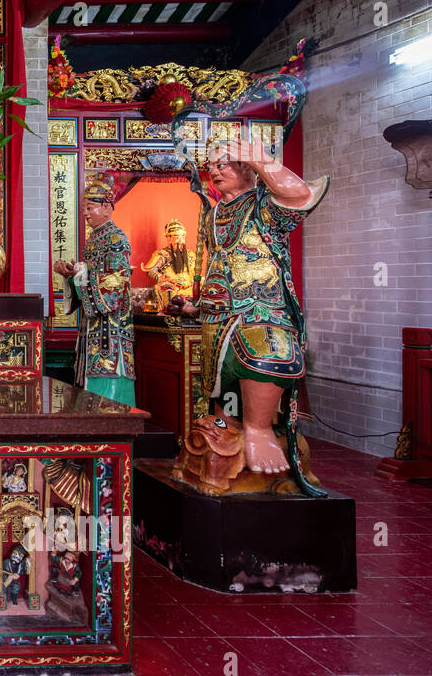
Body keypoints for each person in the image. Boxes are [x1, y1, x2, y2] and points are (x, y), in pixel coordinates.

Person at [173, 138, 329, 480]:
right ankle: (228, 428)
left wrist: (262, 160)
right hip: (218, 311)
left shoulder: (264, 204)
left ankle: (259, 430)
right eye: (211, 166)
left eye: (223, 164)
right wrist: (197, 307)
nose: (215, 172)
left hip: (260, 306)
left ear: (247, 167)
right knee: (221, 376)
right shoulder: (214, 213)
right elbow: (215, 262)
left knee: (264, 358)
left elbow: (301, 197)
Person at [54, 173, 135, 405]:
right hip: (92, 326)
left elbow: (114, 288)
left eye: (90, 208)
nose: (86, 213)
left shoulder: (116, 239)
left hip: (111, 327)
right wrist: (71, 275)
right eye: (84, 209)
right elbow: (89, 279)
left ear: (107, 207)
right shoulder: (93, 240)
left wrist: (80, 274)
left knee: (110, 385)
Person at [141, 219, 197, 306]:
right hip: (172, 288)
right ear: (168, 238)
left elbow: (195, 272)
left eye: (183, 237)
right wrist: (159, 277)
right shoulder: (162, 254)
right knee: (163, 287)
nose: (181, 241)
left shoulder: (190, 255)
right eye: (177, 237)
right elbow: (150, 270)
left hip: (189, 289)